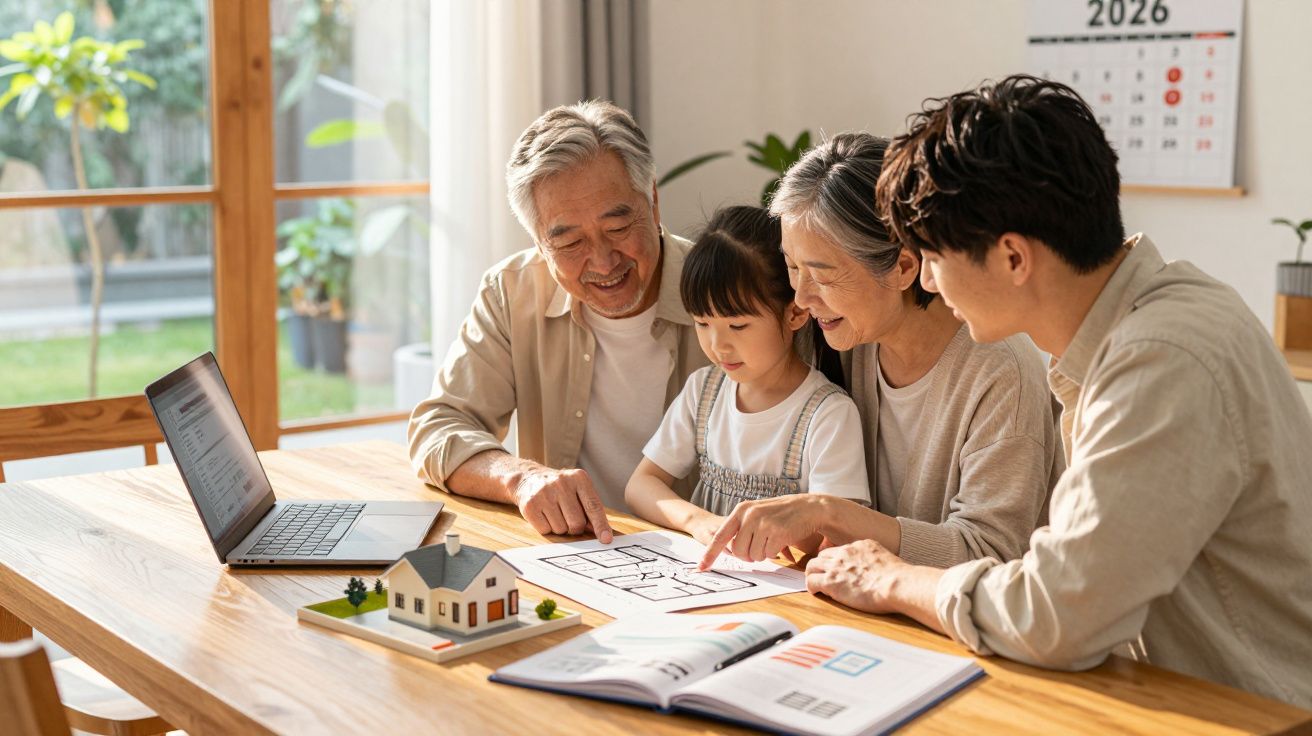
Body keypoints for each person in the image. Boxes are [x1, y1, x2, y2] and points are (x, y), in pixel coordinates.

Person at [805, 75, 1312, 708]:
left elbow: (1058, 615)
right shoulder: (1168, 310)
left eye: (934, 256)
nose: (928, 281)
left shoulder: (1158, 361)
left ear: (1013, 258)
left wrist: (894, 580)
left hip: (1255, 713)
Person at [699, 132, 1063, 570]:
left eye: (822, 275)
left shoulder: (1000, 371)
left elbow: (991, 553)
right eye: (792, 267)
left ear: (904, 266)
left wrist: (831, 514)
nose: (800, 297)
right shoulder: (837, 331)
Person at [408, 101, 709, 543]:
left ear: (653, 201)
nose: (604, 262)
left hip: (705, 563)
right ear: (538, 242)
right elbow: (438, 428)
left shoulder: (731, 292)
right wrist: (521, 478)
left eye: (618, 226)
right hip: (571, 555)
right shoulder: (512, 291)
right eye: (569, 241)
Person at [625, 206, 869, 546]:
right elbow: (640, 485)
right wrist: (699, 522)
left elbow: (841, 531)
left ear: (795, 313)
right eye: (702, 323)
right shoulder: (703, 391)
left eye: (737, 326)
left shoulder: (827, 414)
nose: (717, 345)